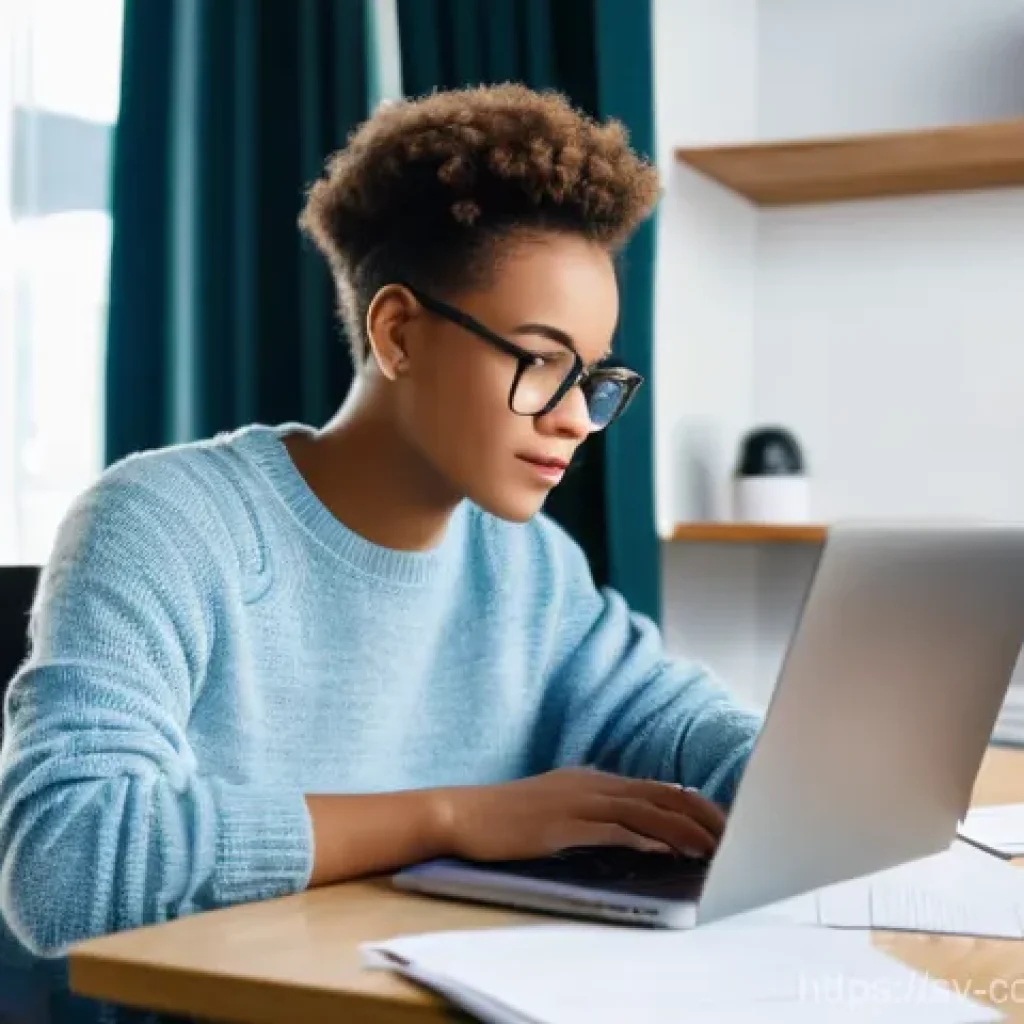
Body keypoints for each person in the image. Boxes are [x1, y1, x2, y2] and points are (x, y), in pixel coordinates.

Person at [0, 84, 761, 969]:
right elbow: (62, 864)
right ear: (398, 332)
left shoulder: (528, 566)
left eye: (591, 377)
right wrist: (452, 818)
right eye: (542, 361)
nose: (576, 420)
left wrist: (809, 783)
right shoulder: (165, 524)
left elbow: (681, 724)